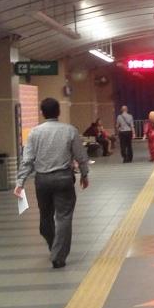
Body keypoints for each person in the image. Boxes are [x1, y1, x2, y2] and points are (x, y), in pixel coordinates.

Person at [14, 97, 89, 269]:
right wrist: (84, 174)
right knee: (64, 218)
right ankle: (58, 253)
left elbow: (28, 160)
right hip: (63, 179)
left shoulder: (34, 133)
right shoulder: (70, 130)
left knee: (45, 218)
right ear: (59, 112)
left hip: (42, 181)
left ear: (42, 112)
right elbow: (81, 156)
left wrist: (20, 182)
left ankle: (55, 248)